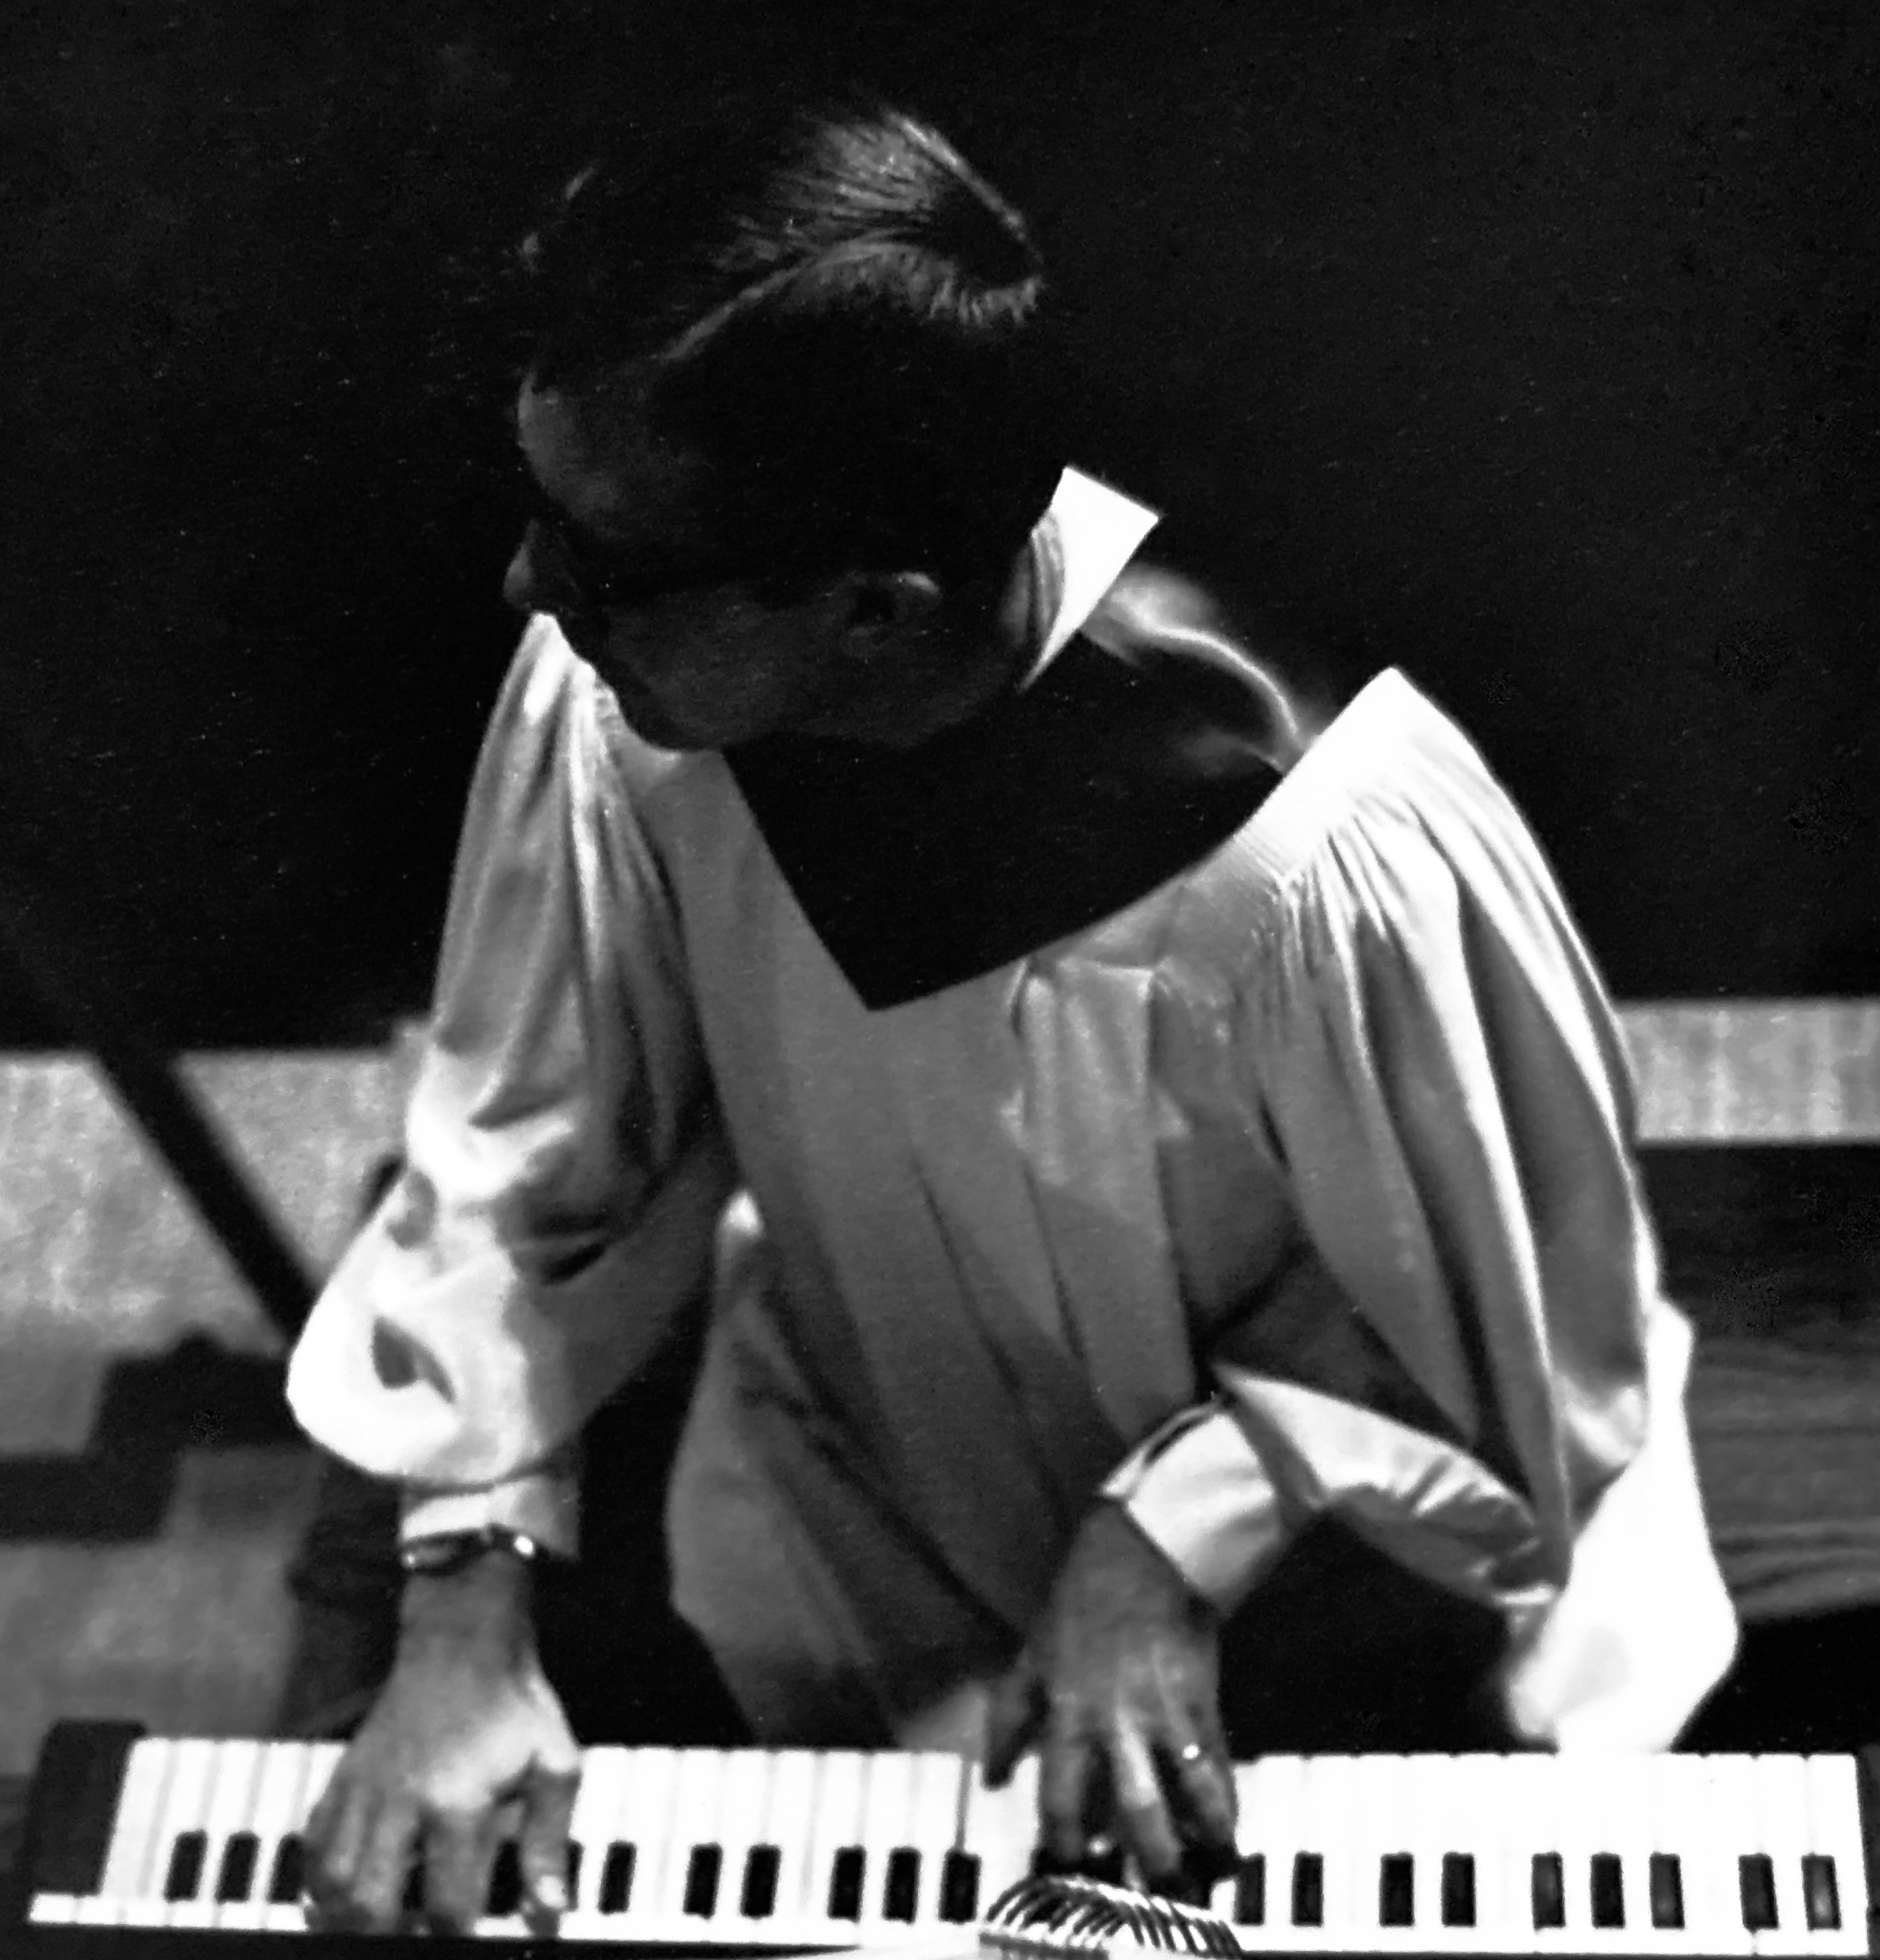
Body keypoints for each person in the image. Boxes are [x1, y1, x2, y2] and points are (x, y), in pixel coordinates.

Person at [281, 100, 1738, 1934]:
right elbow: (523, 1132)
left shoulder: (1326, 847)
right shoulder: (625, 688)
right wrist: (462, 1599)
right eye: (541, 518)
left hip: (1343, 1535)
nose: (527, 588)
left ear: (878, 614)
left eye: (600, 557)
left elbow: (1508, 1307)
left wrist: (1165, 1540)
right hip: (871, 1473)